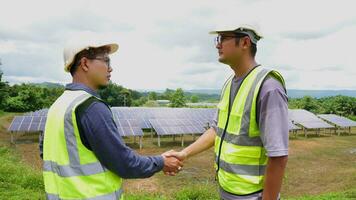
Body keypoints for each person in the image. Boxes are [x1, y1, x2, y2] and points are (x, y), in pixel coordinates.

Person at [42, 38, 182, 200]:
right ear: (85, 63)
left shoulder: (58, 105)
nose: (111, 68)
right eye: (106, 61)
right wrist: (161, 162)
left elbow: (45, 151)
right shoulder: (91, 107)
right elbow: (124, 163)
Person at [167, 25, 289, 200]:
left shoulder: (268, 87)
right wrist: (184, 153)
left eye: (223, 38)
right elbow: (217, 130)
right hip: (227, 191)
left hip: (252, 195)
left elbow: (278, 156)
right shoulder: (229, 84)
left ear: (245, 42)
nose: (218, 45)